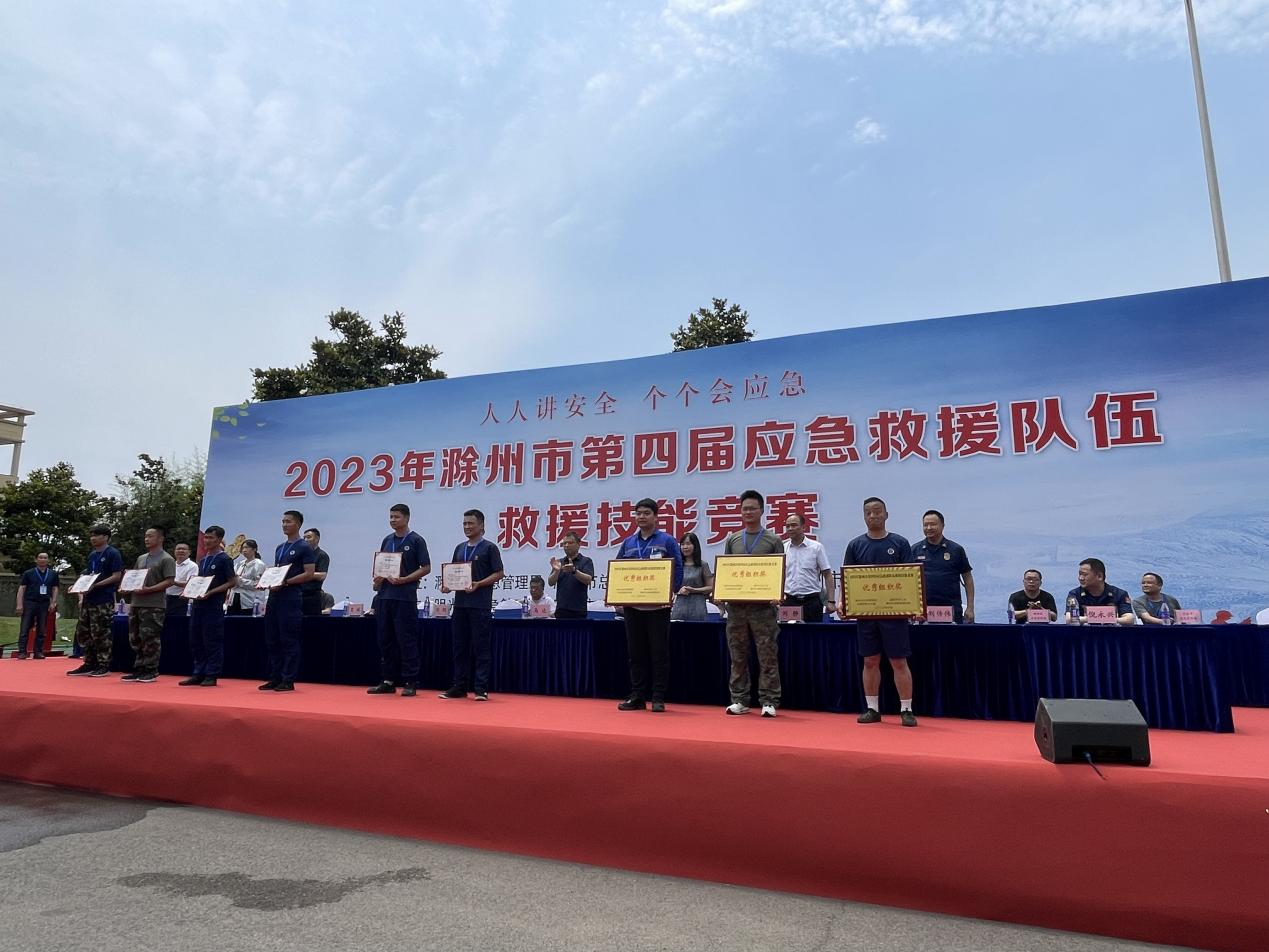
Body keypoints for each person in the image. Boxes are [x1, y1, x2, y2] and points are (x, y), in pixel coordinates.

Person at [843, 497, 918, 727]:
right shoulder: (855, 545)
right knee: (870, 661)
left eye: (877, 511)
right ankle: (872, 708)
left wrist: (914, 605)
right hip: (866, 614)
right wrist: (845, 604)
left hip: (895, 614)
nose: (873, 516)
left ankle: (906, 709)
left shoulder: (900, 543)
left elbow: (910, 578)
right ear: (864, 516)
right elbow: (848, 580)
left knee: (898, 661)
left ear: (886, 515)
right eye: (868, 512)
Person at [614, 498, 683, 713]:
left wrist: (670, 592)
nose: (641, 517)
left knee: (659, 653)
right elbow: (618, 569)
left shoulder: (667, 541)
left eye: (646, 513)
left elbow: (678, 568)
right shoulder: (628, 543)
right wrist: (618, 594)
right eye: (638, 513)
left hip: (658, 608)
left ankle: (658, 697)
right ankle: (637, 696)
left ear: (656, 516)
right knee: (636, 653)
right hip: (633, 607)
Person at [719, 491, 784, 717]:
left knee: (767, 655)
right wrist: (722, 591)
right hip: (737, 608)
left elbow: (779, 572)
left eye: (753, 508)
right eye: (744, 508)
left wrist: (777, 593)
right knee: (737, 655)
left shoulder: (773, 540)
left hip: (763, 609)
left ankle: (769, 700)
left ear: (762, 510)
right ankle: (739, 699)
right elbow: (727, 571)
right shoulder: (733, 540)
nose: (748, 512)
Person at [439, 509, 504, 701]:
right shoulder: (460, 548)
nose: (467, 527)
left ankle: (481, 688)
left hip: (480, 605)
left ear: (481, 526)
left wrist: (479, 584)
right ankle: (459, 686)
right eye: (464, 523)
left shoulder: (489, 548)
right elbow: (453, 573)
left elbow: (499, 573)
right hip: (460, 606)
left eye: (471, 523)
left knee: (481, 647)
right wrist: (447, 586)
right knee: (459, 647)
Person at [368, 503, 431, 697]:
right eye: (391, 517)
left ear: (407, 518)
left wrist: (405, 579)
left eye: (396, 517)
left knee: (406, 640)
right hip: (384, 596)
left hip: (404, 597)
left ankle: (410, 681)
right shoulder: (387, 540)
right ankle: (388, 681)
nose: (393, 520)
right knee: (385, 640)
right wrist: (378, 578)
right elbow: (381, 566)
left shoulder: (416, 540)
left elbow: (426, 567)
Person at [260, 510, 317, 691]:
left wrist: (286, 582)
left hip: (291, 597)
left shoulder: (304, 547)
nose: (284, 524)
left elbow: (309, 573)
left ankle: (288, 679)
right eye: (283, 521)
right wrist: (267, 581)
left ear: (298, 524)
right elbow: (277, 571)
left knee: (288, 639)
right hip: (274, 596)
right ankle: (275, 677)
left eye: (288, 521)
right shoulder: (280, 547)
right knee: (272, 638)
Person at [180, 526, 237, 687]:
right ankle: (198, 672)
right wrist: (188, 591)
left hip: (213, 605)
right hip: (198, 604)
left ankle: (212, 674)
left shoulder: (224, 559)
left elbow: (232, 582)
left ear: (219, 540)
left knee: (212, 640)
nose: (207, 541)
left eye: (211, 538)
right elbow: (199, 582)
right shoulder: (203, 560)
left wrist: (211, 592)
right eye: (206, 537)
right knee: (196, 639)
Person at [68, 525, 124, 677]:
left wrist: (96, 585)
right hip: (89, 598)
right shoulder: (92, 555)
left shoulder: (113, 553)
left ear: (105, 537)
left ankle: (103, 664)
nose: (93, 538)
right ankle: (89, 662)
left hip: (103, 598)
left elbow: (116, 576)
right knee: (84, 631)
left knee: (101, 632)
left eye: (96, 535)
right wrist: (78, 584)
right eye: (91, 535)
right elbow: (88, 574)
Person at [122, 527, 177, 683]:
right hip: (136, 602)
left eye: (151, 536)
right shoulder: (141, 558)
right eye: (146, 536)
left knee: (150, 637)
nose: (147, 539)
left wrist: (149, 589)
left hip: (153, 604)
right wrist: (126, 586)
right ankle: (139, 667)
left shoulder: (166, 559)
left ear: (160, 539)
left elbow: (170, 581)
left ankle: (151, 669)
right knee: (135, 637)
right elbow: (134, 577)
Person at [911, 510, 975, 623]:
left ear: (942, 525)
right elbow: (908, 582)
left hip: (951, 610)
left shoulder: (956, 550)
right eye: (925, 525)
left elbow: (968, 579)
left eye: (933, 524)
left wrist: (970, 608)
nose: (929, 528)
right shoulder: (915, 550)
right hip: (923, 612)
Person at [781, 513, 835, 622]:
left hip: (812, 601)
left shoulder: (816, 547)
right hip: (789, 601)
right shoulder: (782, 548)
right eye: (787, 526)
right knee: (790, 632)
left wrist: (831, 601)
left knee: (813, 632)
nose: (790, 528)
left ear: (803, 527)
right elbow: (778, 575)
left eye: (794, 525)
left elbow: (827, 575)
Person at [1065, 558, 1135, 626]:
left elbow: (1129, 619)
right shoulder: (1074, 594)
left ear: (1099, 576)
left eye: (1084, 574)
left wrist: (1105, 619)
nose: (1080, 578)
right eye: (1080, 574)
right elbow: (1069, 619)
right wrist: (1096, 618)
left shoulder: (1120, 594)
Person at [15, 552, 58, 659]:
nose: (43, 559)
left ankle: (38, 651)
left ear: (48, 560)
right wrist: (19, 604)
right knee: (25, 628)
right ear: (36, 560)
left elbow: (55, 588)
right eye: (40, 557)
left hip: (44, 603)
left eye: (45, 558)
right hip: (30, 602)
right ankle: (22, 652)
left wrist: (53, 602)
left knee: (42, 629)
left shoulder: (53, 574)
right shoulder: (28, 573)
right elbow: (22, 588)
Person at [548, 532, 594, 620]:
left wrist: (574, 571)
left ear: (579, 544)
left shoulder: (586, 561)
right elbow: (550, 582)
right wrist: (556, 571)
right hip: (561, 609)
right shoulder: (560, 562)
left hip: (578, 610)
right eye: (564, 543)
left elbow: (588, 580)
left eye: (570, 543)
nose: (566, 545)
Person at [671, 531, 713, 622]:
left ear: (695, 546)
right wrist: (678, 591)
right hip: (679, 606)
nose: (685, 547)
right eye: (682, 544)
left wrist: (694, 590)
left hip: (698, 606)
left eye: (688, 544)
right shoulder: (676, 565)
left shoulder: (703, 565)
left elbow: (711, 587)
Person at [228, 540, 266, 615]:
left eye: (247, 547)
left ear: (254, 549)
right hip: (235, 597)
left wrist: (240, 581)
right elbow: (233, 578)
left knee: (246, 619)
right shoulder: (239, 564)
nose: (244, 550)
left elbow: (259, 584)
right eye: (243, 548)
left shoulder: (259, 564)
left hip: (250, 600)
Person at [300, 528, 330, 617]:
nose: (306, 540)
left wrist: (305, 574)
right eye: (304, 538)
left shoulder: (322, 555)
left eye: (309, 537)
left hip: (312, 596)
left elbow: (322, 575)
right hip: (299, 595)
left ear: (317, 539)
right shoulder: (302, 556)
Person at [166, 543, 198, 616]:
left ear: (189, 552)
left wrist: (172, 582)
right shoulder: (171, 564)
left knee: (178, 621)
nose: (181, 551)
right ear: (174, 552)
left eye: (183, 549)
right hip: (166, 598)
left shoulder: (193, 566)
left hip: (181, 600)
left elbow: (190, 583)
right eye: (178, 549)